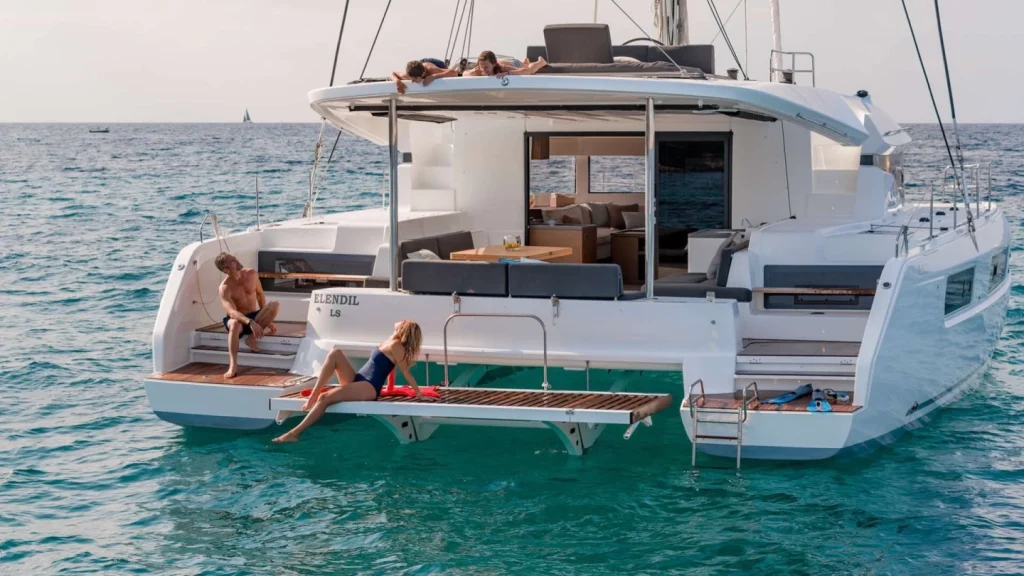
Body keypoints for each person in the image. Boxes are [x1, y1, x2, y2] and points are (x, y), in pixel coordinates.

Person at [273, 320, 426, 443]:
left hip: (369, 387)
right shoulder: (390, 341)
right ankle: (314, 394)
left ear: (403, 329)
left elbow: (406, 373)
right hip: (359, 379)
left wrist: (419, 394)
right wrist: (389, 387)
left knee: (325, 398)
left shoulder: (396, 346)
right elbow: (390, 368)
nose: (401, 320)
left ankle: (294, 434)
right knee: (335, 353)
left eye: (404, 321)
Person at [215, 252, 280, 378]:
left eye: (235, 258)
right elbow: (231, 312)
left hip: (253, 316)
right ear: (226, 270)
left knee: (275, 305)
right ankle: (233, 365)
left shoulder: (251, 273)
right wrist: (249, 322)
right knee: (234, 323)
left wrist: (266, 318)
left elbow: (260, 294)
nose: (236, 260)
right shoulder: (225, 287)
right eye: (232, 261)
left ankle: (251, 339)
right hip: (237, 319)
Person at [390, 58, 456, 94]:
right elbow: (393, 73)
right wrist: (397, 82)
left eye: (415, 79)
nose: (412, 81)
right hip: (419, 64)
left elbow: (454, 73)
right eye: (411, 79)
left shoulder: (432, 70)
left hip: (435, 63)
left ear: (423, 74)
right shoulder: (408, 75)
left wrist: (434, 76)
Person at [462, 50, 547, 77]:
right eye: (482, 67)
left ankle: (541, 62)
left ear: (494, 64)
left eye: (486, 67)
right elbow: (464, 73)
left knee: (531, 70)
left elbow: (526, 71)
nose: (484, 70)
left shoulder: (502, 68)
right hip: (505, 61)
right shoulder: (481, 69)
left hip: (513, 63)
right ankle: (525, 62)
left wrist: (507, 73)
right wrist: (471, 73)